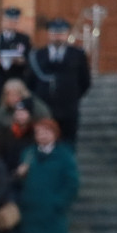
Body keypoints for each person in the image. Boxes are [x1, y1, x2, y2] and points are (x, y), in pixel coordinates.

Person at [16, 118, 79, 233]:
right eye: (38, 132)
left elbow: (72, 183)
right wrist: (20, 176)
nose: (42, 136)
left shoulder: (64, 155)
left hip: (53, 215)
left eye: (46, 132)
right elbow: (19, 182)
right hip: (32, 213)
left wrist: (58, 203)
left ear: (54, 134)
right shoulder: (28, 154)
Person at [27, 18, 91, 147]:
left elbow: (85, 81)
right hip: (44, 107)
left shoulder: (77, 54)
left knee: (68, 142)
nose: (58, 37)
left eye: (61, 33)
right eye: (54, 33)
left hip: (68, 107)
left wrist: (73, 95)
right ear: (49, 34)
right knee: (43, 140)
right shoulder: (38, 55)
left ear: (67, 34)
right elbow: (30, 81)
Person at [0, 79, 51, 172]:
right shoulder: (0, 112)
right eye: (9, 95)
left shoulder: (37, 107)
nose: (14, 98)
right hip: (9, 146)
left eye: (16, 94)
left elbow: (46, 123)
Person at [0, 7, 31, 92]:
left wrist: (21, 61)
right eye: (8, 21)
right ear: (3, 21)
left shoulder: (23, 39)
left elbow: (29, 57)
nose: (11, 24)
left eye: (14, 22)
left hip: (17, 76)